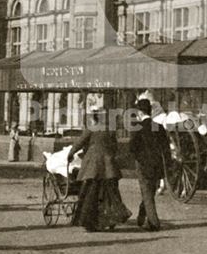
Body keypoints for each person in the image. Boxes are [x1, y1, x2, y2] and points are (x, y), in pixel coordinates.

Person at [68, 107, 130, 232]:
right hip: (108, 167)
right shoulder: (110, 130)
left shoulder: (91, 129)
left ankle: (90, 222)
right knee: (110, 194)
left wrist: (70, 154)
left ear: (94, 117)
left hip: (94, 167)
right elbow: (115, 147)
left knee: (91, 194)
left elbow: (79, 143)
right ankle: (111, 218)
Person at [128, 94, 169, 231]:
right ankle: (142, 213)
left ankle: (153, 223)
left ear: (139, 112)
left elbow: (132, 147)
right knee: (149, 192)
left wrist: (138, 157)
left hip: (143, 164)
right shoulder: (158, 127)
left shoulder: (137, 128)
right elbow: (165, 147)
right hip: (156, 164)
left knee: (147, 192)